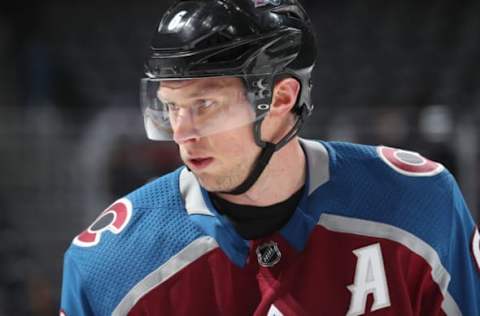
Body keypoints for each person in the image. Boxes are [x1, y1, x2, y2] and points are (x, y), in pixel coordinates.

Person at [60, 0, 480, 315]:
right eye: (171, 107)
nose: (182, 133)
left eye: (204, 105)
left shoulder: (422, 207)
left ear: (281, 98)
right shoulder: (108, 268)